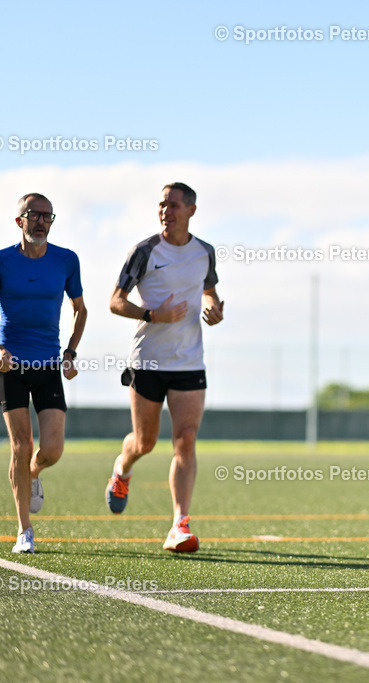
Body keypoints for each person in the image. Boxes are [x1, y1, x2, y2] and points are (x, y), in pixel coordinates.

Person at [106, 182, 223, 553]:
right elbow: (115, 302)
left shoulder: (205, 252)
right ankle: (122, 470)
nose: (165, 211)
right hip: (149, 361)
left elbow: (209, 291)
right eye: (161, 205)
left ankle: (179, 525)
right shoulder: (143, 251)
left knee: (185, 440)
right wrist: (152, 315)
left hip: (190, 360)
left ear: (191, 210)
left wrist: (214, 309)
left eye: (173, 205)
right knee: (145, 442)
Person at [0, 193, 87, 554]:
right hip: (12, 367)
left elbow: (80, 309)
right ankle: (24, 530)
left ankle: (33, 475)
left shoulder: (67, 261)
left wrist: (69, 353)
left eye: (47, 216)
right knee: (22, 446)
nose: (41, 221)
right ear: (19, 221)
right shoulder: (0, 262)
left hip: (49, 365)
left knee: (52, 449)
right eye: (34, 215)